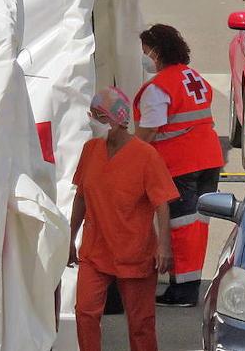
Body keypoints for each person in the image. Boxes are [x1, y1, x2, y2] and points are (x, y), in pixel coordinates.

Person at [69, 88, 178, 351]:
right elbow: (81, 197)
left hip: (135, 253)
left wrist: (164, 246)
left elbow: (162, 204)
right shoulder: (91, 150)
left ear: (116, 121)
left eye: (97, 115)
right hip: (96, 252)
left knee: (140, 323)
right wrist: (70, 238)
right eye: (92, 114)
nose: (92, 121)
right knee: (85, 312)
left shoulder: (145, 156)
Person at [134, 24, 225, 307]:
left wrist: (125, 155)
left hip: (182, 163)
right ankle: (187, 284)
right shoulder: (190, 76)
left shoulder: (159, 88)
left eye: (146, 51)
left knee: (182, 226)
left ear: (157, 52)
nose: (144, 56)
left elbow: (148, 132)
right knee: (196, 226)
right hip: (209, 158)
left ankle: (183, 291)